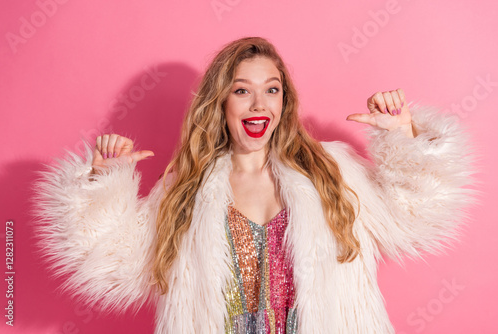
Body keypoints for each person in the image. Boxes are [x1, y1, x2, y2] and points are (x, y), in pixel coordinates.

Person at [35, 37, 475, 333]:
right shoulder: (186, 188)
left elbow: (419, 215)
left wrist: (406, 138)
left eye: (272, 89)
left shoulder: (331, 170)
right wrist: (101, 181)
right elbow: (115, 265)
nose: (260, 103)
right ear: (221, 101)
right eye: (242, 90)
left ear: (284, 101)